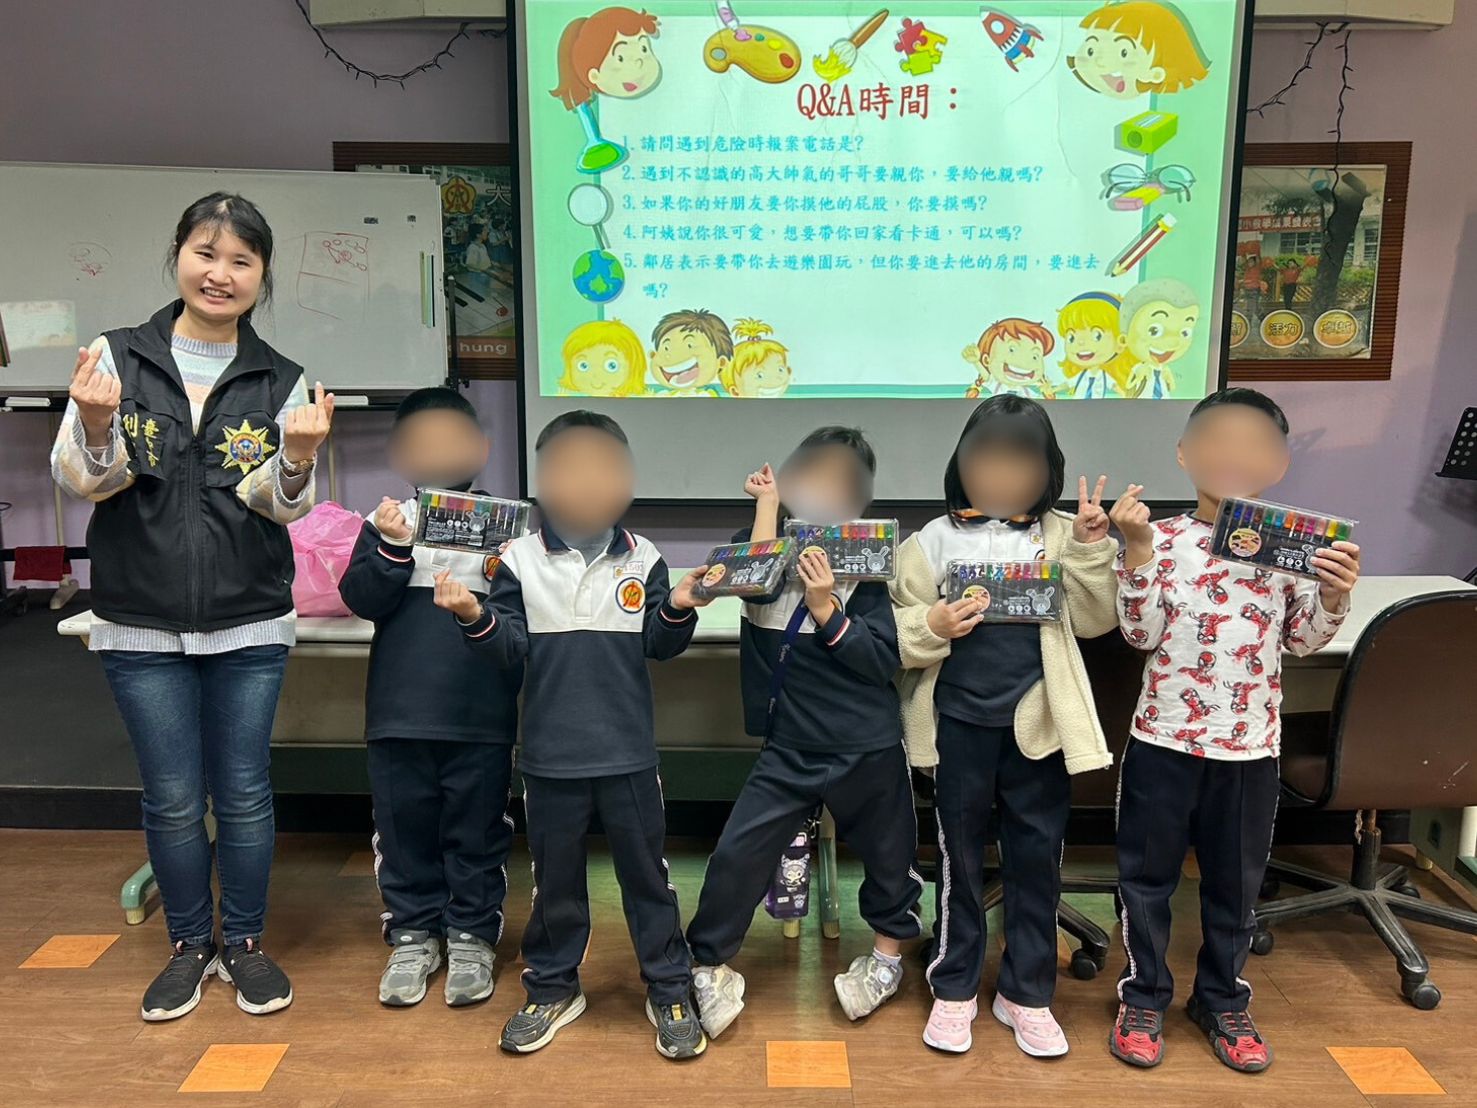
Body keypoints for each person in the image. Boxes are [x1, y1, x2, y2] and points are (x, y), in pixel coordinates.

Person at [50, 192, 334, 1021]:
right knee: (172, 796)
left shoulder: (280, 377)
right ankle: (187, 946)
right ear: (178, 255)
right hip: (137, 617)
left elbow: (280, 506)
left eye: (241, 260)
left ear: (261, 275)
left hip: (250, 618)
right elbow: (83, 480)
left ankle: (242, 942)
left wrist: (298, 459)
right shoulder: (116, 358)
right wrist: (95, 425)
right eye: (206, 253)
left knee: (243, 792)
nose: (220, 273)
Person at [440, 411, 713, 1059]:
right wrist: (472, 613)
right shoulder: (519, 560)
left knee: (647, 877)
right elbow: (507, 647)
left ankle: (668, 985)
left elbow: (658, 642)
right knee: (555, 883)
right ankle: (553, 985)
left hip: (627, 755)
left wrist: (678, 606)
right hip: (549, 758)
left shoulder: (644, 557)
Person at [1106, 387, 1361, 1073]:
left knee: (1235, 886)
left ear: (1280, 463)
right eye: (1216, 441)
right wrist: (1135, 553)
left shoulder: (1295, 548)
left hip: (1249, 748)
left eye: (1253, 446)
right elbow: (1138, 634)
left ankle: (1221, 998)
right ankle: (1143, 995)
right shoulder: (1158, 538)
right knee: (1145, 880)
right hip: (1162, 740)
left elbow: (1303, 640)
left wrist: (1333, 592)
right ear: (1183, 453)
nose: (1233, 456)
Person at [890, 395, 1122, 1056]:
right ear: (959, 466)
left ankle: (1027, 992)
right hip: (958, 723)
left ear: (1047, 471)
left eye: (1019, 464)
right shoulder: (930, 541)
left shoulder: (1062, 534)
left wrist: (1090, 550)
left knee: (1036, 858)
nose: (999, 477)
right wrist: (931, 624)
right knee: (959, 859)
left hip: (1039, 726)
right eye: (984, 461)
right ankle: (954, 984)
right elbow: (896, 634)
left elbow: (1096, 619)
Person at [687, 428, 924, 1040]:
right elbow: (753, 579)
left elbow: (880, 660)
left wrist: (826, 608)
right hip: (790, 745)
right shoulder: (752, 541)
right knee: (738, 854)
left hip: (866, 743)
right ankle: (708, 963)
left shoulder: (871, 562)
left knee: (890, 856)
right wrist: (767, 505)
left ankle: (886, 961)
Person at [337, 387, 522, 1010]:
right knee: (404, 831)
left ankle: (472, 935)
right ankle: (413, 934)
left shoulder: (509, 532)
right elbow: (361, 599)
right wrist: (392, 547)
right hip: (398, 716)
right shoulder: (387, 521)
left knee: (476, 833)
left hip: (481, 717)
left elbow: (520, 626)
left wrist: (511, 570)